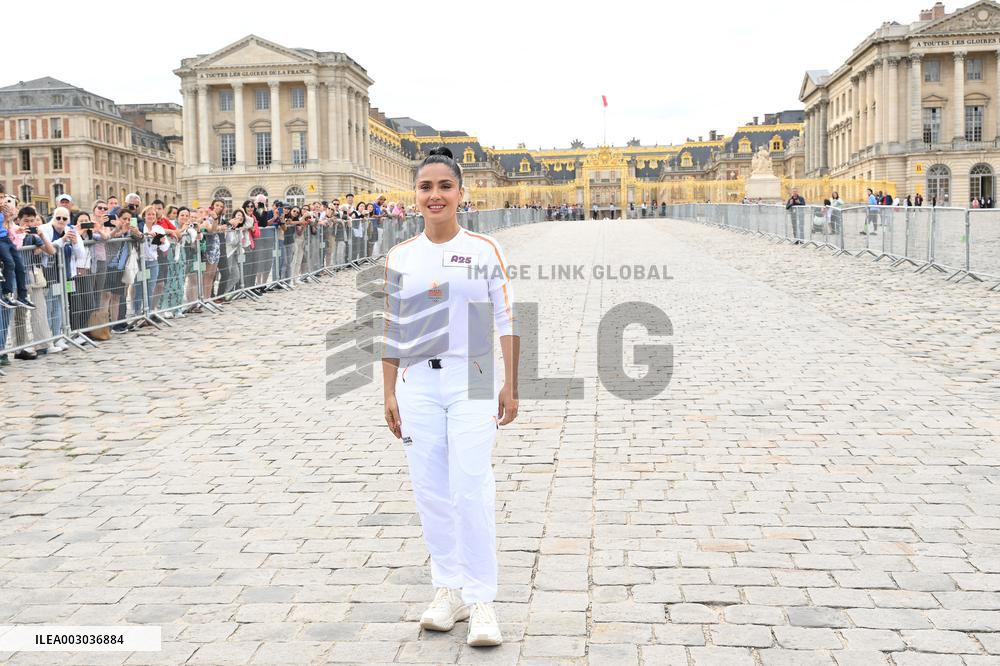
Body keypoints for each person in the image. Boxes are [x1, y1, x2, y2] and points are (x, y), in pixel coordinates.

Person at [382, 146, 519, 648]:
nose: (434, 195)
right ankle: (448, 589)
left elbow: (504, 319)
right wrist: (388, 390)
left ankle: (482, 598)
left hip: (474, 375)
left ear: (461, 193)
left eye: (444, 186)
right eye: (425, 187)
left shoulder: (483, 249)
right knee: (431, 491)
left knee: (470, 485)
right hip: (419, 381)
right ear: (415, 195)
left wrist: (511, 383)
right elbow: (393, 326)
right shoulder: (401, 256)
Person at [0, 198, 36, 310]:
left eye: (2, 198)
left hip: (5, 238)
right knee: (10, 263)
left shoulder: (2, 212)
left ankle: (22, 296)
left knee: (20, 266)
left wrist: (17, 228)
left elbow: (7, 226)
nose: (2, 201)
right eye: (1, 198)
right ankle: (6, 294)